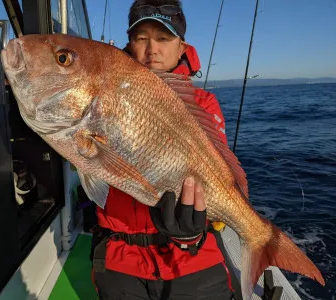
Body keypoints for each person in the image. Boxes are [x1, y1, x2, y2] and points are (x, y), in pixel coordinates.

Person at [90, 1, 240, 299]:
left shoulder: (203, 104)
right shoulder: (103, 93)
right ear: (130, 44)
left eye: (163, 38)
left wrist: (193, 232)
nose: (152, 49)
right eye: (141, 38)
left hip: (193, 258)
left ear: (181, 47)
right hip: (120, 260)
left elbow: (219, 175)